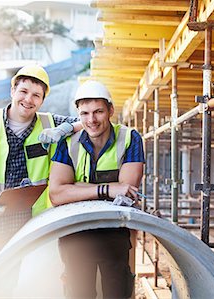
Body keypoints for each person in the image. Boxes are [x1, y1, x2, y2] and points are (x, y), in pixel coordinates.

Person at [0, 64, 80, 297]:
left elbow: (87, 121)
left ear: (42, 100)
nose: (28, 99)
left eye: (36, 95)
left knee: (5, 289)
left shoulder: (51, 124)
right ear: (13, 91)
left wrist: (67, 128)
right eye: (24, 91)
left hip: (20, 227)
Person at [49, 80, 145, 299]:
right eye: (84, 113)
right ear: (78, 114)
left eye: (98, 111)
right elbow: (56, 194)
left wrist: (76, 188)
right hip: (75, 236)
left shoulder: (129, 138)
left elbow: (127, 192)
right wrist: (107, 189)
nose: (91, 120)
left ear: (110, 110)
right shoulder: (68, 142)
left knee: (117, 293)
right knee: (79, 294)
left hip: (114, 235)